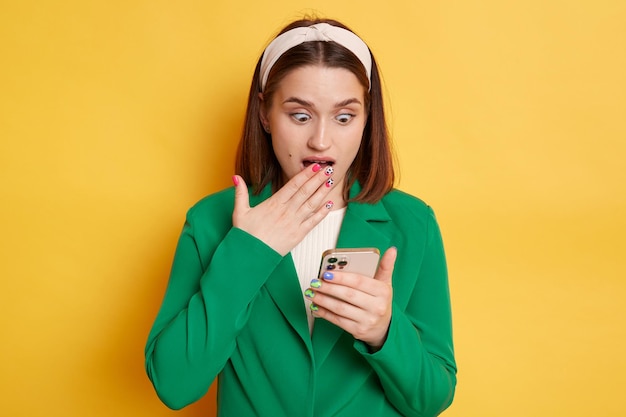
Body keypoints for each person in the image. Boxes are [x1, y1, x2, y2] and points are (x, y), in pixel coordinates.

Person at [145, 17, 456, 417]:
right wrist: (247, 253)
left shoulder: (414, 223)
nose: (321, 141)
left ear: (366, 120)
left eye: (344, 117)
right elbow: (173, 384)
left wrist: (384, 333)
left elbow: (432, 399)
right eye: (300, 115)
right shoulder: (210, 220)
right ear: (264, 114)